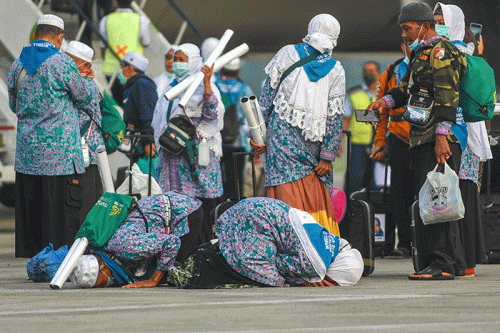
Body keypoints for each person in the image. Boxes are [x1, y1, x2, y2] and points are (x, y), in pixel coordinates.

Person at [368, 2, 467, 280]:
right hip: (421, 138)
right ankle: (450, 262)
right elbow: (406, 88)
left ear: (425, 25)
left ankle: (442, 263)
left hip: (438, 138)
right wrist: (384, 102)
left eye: (407, 28)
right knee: (434, 198)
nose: (405, 34)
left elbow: (447, 96)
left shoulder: (442, 51)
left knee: (439, 201)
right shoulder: (421, 52)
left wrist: (441, 138)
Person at [7, 15, 95, 257]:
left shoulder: (18, 65)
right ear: (59, 37)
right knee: (59, 213)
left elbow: (14, 105)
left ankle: (31, 254)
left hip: (27, 155)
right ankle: (56, 256)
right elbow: (83, 97)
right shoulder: (62, 63)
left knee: (31, 210)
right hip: (59, 157)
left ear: (36, 34)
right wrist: (88, 82)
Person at [250, 14, 345, 236]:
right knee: (315, 193)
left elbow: (266, 99)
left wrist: (255, 135)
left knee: (283, 191)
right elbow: (334, 116)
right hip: (314, 145)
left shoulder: (287, 53)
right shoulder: (336, 69)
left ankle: (286, 239)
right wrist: (327, 156)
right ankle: (315, 246)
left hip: (281, 138)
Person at [167, 197, 364, 288]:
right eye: (335, 282)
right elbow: (279, 265)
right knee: (271, 279)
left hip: (249, 210)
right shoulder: (316, 261)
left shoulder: (328, 240)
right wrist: (305, 279)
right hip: (253, 223)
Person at [434, 2, 490, 277]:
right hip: (470, 133)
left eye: (441, 19)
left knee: (454, 195)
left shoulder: (450, 52)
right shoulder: (466, 50)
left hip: (457, 133)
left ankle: (458, 259)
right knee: (464, 194)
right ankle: (467, 260)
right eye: (435, 19)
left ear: (454, 22)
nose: (437, 24)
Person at [152, 43, 225, 242]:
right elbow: (160, 117)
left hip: (194, 157)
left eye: (181, 60)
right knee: (176, 206)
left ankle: (203, 247)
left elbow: (212, 116)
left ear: (193, 61)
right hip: (172, 155)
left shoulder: (201, 84)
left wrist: (208, 83)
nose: (176, 64)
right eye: (175, 59)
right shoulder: (173, 85)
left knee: (200, 207)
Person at [69, 192, 204, 288]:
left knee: (176, 274)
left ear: (102, 267)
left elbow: (171, 243)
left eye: (103, 283)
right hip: (161, 210)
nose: (106, 285)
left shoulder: (126, 246)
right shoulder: (101, 249)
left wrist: (153, 280)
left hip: (184, 211)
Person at [370, 44, 413, 259]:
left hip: (425, 138)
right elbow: (382, 112)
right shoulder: (391, 72)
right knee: (399, 192)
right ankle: (404, 243)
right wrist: (380, 142)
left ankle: (424, 243)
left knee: (424, 191)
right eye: (406, 42)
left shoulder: (430, 66)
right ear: (402, 46)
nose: (410, 45)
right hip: (397, 139)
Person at [65, 41, 105, 222]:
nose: (64, 65)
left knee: (85, 209)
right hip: (78, 156)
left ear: (86, 65)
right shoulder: (83, 82)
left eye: (70, 61)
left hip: (87, 157)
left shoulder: (85, 86)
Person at [215, 58, 253, 200]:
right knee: (236, 182)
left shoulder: (214, 87)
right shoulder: (244, 89)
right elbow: (252, 117)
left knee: (218, 181)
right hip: (239, 143)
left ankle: (218, 210)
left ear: (221, 70)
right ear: (237, 72)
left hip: (217, 142)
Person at [100, 0, 151, 105]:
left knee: (118, 102)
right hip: (134, 70)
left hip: (111, 69)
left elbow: (102, 46)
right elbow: (146, 42)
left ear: (115, 2)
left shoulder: (106, 20)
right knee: (133, 104)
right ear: (132, 1)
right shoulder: (141, 20)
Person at [342, 61, 381, 195]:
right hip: (358, 143)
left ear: (378, 73)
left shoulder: (385, 94)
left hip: (379, 145)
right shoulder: (354, 93)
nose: (368, 73)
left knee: (375, 182)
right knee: (355, 179)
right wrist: (339, 142)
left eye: (372, 71)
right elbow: (345, 118)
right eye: (366, 71)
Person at [120, 51, 157, 160]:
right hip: (133, 135)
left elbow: (148, 113)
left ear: (130, 67)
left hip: (143, 139)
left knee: (144, 173)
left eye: (122, 65)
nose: (121, 68)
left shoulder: (142, 85)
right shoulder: (133, 85)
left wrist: (148, 141)